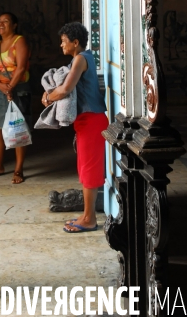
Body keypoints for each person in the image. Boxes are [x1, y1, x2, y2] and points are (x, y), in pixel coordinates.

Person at [41, 22, 107, 233]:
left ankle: (89, 219)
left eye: (63, 41)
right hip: (86, 121)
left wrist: (49, 97)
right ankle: (87, 214)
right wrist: (51, 94)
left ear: (75, 43)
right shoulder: (83, 58)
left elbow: (66, 89)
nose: (61, 45)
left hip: (92, 121)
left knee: (89, 171)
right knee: (85, 168)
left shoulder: (80, 59)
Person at [0, 12, 31, 184]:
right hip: (1, 89)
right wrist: (1, 86)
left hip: (18, 88)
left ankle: (18, 169)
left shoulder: (20, 41)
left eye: (6, 21)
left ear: (15, 25)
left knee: (18, 128)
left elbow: (20, 68)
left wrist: (10, 87)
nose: (1, 24)